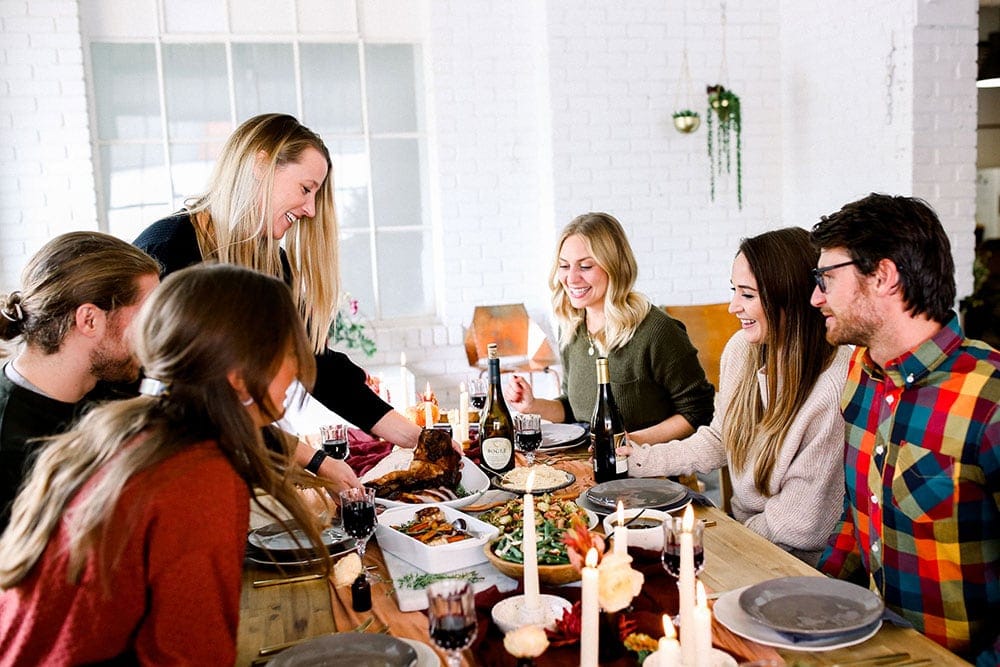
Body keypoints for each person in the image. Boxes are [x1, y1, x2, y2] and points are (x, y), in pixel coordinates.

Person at [0, 264, 333, 664]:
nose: (297, 369)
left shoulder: (132, 429)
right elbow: (190, 656)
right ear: (239, 375)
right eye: (289, 352)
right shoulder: (197, 474)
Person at [133, 113, 433, 467]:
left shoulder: (273, 264)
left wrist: (415, 437)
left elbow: (315, 360)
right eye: (306, 189)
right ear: (261, 164)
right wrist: (314, 460)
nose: (309, 209)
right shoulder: (167, 249)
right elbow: (187, 399)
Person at [810, 193, 1000, 663]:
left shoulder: (989, 398)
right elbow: (859, 514)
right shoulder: (860, 370)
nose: (816, 297)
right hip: (874, 644)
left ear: (883, 277)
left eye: (826, 279)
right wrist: (812, 600)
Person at [621, 228, 850, 565]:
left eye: (747, 295)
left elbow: (799, 523)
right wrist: (637, 460)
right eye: (734, 291)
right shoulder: (742, 350)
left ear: (788, 296)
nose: (732, 307)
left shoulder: (834, 381)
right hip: (745, 535)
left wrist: (719, 539)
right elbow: (720, 438)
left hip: (797, 562)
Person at [505, 212, 714, 445]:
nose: (571, 278)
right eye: (564, 266)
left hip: (647, 473)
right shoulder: (572, 328)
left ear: (614, 267)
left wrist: (627, 442)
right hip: (590, 464)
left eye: (585, 266)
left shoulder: (657, 331)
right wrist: (533, 406)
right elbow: (575, 409)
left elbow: (698, 411)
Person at [0, 232, 160, 531]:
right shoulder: (9, 448)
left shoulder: (117, 386)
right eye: (147, 318)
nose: (154, 335)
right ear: (89, 320)